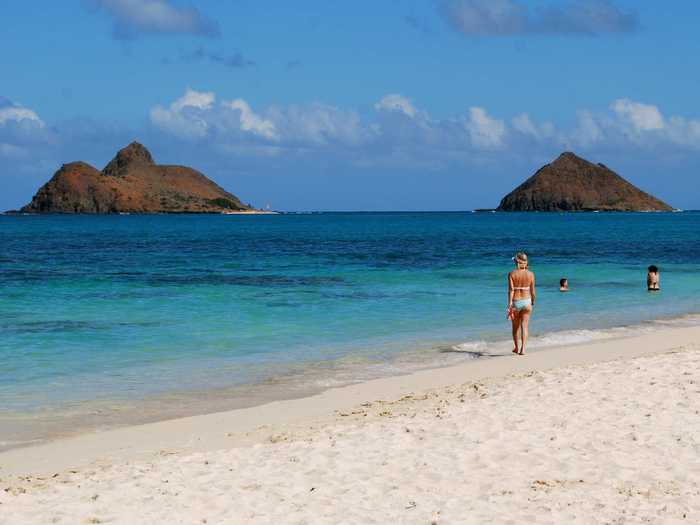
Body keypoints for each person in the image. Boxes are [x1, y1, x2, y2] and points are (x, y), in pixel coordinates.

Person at [507, 252, 536, 356]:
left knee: (515, 328)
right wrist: (533, 300)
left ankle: (516, 348)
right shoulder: (531, 274)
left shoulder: (511, 274)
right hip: (527, 301)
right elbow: (533, 290)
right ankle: (523, 349)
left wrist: (509, 304)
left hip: (516, 302)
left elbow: (511, 290)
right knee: (525, 326)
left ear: (517, 261)